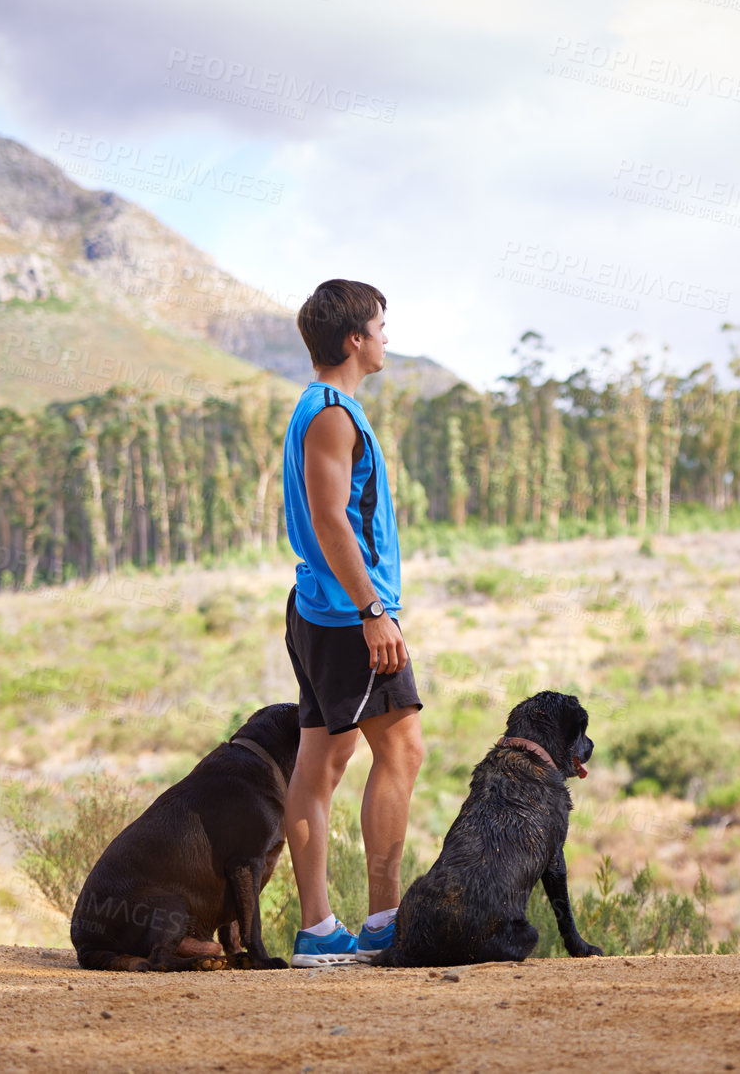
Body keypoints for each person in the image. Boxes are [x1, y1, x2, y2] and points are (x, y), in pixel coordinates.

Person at [279, 279, 424, 966]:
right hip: (346, 615)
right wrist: (373, 611)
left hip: (319, 609)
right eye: (380, 326)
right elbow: (331, 516)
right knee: (401, 751)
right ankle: (384, 921)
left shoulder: (316, 407)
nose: (387, 338)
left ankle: (316, 931)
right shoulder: (332, 412)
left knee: (321, 763)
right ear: (353, 340)